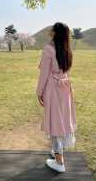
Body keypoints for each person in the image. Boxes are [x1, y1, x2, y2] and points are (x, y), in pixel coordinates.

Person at [36, 22, 77, 173]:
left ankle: (59, 162)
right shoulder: (67, 49)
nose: (50, 30)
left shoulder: (49, 49)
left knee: (54, 123)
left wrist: (39, 92)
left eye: (52, 28)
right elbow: (65, 70)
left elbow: (44, 74)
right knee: (63, 120)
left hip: (54, 89)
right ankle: (57, 152)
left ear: (55, 32)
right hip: (65, 88)